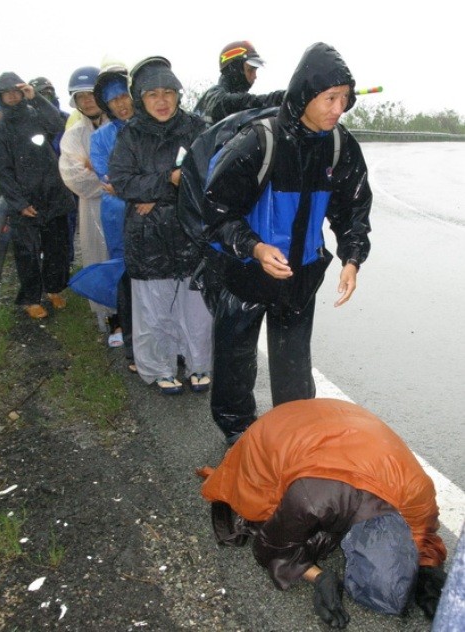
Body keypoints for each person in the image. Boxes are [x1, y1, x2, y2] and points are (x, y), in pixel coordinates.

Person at [188, 42, 372, 445]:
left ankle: (295, 437)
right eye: (330, 98)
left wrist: (352, 258)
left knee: (293, 367)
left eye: (344, 99)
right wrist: (254, 247)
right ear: (306, 94)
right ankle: (238, 438)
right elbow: (216, 212)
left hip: (300, 276)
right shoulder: (259, 141)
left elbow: (353, 208)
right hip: (244, 273)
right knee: (235, 363)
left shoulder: (341, 146)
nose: (338, 108)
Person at [198, 397, 448, 628]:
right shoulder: (312, 500)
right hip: (274, 433)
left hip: (340, 424)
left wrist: (427, 571)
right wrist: (317, 577)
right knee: (270, 518)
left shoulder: (417, 492)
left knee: (311, 530)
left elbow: (422, 533)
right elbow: (270, 547)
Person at [108, 56, 212, 394]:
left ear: (179, 95)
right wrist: (170, 180)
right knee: (154, 309)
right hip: (147, 235)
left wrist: (156, 191)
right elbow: (122, 183)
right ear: (141, 98)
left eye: (169, 92)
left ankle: (200, 364)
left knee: (196, 307)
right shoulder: (131, 135)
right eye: (152, 94)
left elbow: (208, 178)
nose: (162, 101)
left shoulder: (198, 129)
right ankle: (160, 367)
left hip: (190, 232)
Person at [0, 72, 75, 319]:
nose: (12, 97)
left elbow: (58, 125)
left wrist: (36, 98)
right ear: (1, 97)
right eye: (7, 93)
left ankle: (54, 289)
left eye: (16, 91)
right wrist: (19, 203)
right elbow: (3, 170)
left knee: (56, 247)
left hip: (54, 194)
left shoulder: (36, 114)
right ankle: (29, 298)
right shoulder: (1, 130)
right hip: (26, 202)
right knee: (27, 252)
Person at [58, 66, 112, 334]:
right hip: (90, 209)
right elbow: (74, 177)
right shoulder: (73, 136)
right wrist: (108, 179)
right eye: (81, 97)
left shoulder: (120, 127)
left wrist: (94, 167)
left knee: (125, 260)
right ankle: (106, 318)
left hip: (123, 208)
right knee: (96, 258)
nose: (87, 101)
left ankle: (129, 319)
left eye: (91, 94)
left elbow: (129, 170)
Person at [90, 64, 135, 365]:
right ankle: (129, 334)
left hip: (151, 212)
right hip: (117, 214)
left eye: (124, 95)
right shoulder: (101, 137)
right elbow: (107, 178)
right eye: (113, 99)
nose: (120, 103)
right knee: (125, 272)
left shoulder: (149, 126)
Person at [30, 76, 78, 267]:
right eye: (41, 93)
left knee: (68, 223)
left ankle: (66, 261)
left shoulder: (65, 119)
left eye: (48, 92)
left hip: (65, 181)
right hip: (39, 184)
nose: (46, 96)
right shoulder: (29, 121)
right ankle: (46, 264)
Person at [193, 40, 284, 126]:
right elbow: (228, 103)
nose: (255, 76)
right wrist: (277, 98)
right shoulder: (212, 97)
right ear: (235, 69)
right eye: (250, 70)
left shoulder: (241, 112)